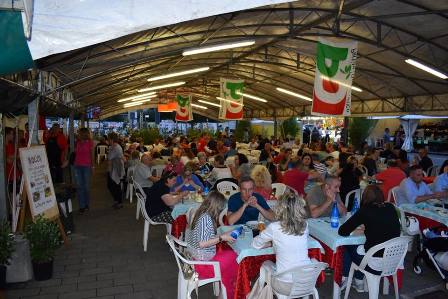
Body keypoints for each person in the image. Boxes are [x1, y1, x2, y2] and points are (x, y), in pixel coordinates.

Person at [338, 185, 401, 292]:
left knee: (347, 245)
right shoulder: (390, 207)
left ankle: (346, 278)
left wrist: (357, 230)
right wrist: (367, 228)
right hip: (394, 259)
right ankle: (358, 280)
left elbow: (342, 231)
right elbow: (382, 225)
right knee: (359, 247)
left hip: (375, 263)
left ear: (365, 198)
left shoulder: (365, 210)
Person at [252, 191, 311, 293]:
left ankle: (259, 294)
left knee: (265, 264)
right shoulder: (305, 225)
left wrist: (271, 243)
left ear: (280, 208)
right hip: (307, 282)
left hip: (285, 285)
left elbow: (255, 244)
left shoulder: (275, 227)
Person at [186, 191, 238, 299]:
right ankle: (229, 292)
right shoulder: (206, 218)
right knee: (234, 257)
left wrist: (224, 235)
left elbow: (204, 237)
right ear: (217, 207)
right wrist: (222, 237)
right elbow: (202, 243)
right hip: (202, 265)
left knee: (230, 259)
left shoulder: (200, 213)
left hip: (195, 259)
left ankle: (225, 293)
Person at [73, 128, 94, 214]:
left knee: (86, 187)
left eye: (79, 132)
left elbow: (92, 154)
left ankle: (86, 204)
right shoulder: (77, 142)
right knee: (79, 187)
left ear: (83, 134)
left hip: (86, 166)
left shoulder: (90, 142)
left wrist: (93, 166)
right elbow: (75, 153)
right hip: (77, 166)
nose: (77, 134)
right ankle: (81, 206)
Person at [107, 132, 125, 209]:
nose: (108, 140)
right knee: (112, 185)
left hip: (116, 169)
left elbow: (110, 158)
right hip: (113, 169)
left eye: (109, 139)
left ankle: (119, 202)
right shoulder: (113, 147)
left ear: (112, 139)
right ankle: (117, 201)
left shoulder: (116, 148)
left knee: (115, 186)